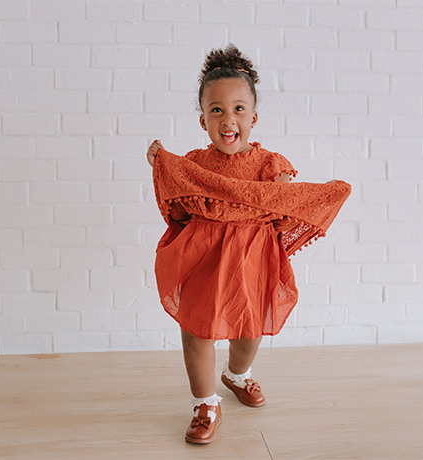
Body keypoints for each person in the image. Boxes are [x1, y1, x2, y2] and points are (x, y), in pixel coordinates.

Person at [146, 44, 350, 444]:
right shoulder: (194, 165)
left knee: (248, 328)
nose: (228, 119)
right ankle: (205, 403)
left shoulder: (270, 165)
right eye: (216, 109)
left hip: (252, 257)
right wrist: (161, 165)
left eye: (238, 109)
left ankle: (237, 374)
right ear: (202, 119)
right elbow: (181, 211)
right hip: (204, 256)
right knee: (197, 332)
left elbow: (282, 209)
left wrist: (301, 196)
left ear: (253, 117)